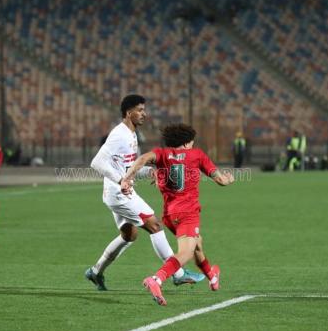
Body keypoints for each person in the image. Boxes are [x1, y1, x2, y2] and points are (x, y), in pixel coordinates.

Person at [86, 94, 204, 291]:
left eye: (144, 110)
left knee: (129, 235)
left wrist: (148, 171)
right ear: (128, 112)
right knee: (154, 225)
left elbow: (125, 167)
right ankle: (178, 274)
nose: (144, 114)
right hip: (119, 192)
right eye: (140, 110)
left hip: (116, 191)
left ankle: (96, 272)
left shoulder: (131, 134)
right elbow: (96, 162)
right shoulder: (119, 134)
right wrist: (121, 180)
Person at [121, 123, 234, 306]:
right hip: (188, 213)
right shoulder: (197, 155)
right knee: (186, 252)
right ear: (188, 142)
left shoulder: (161, 154)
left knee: (197, 244)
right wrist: (229, 179)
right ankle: (156, 279)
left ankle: (212, 276)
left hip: (170, 215)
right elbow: (220, 180)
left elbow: (142, 159)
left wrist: (127, 179)